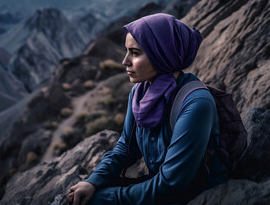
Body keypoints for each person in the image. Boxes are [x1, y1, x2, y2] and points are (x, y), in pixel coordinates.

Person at [67, 13, 228, 205]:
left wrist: (104, 198)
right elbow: (125, 148)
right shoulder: (139, 92)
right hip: (159, 187)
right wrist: (93, 182)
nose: (125, 61)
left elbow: (171, 184)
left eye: (135, 53)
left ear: (161, 55)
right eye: (127, 52)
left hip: (196, 195)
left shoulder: (196, 104)